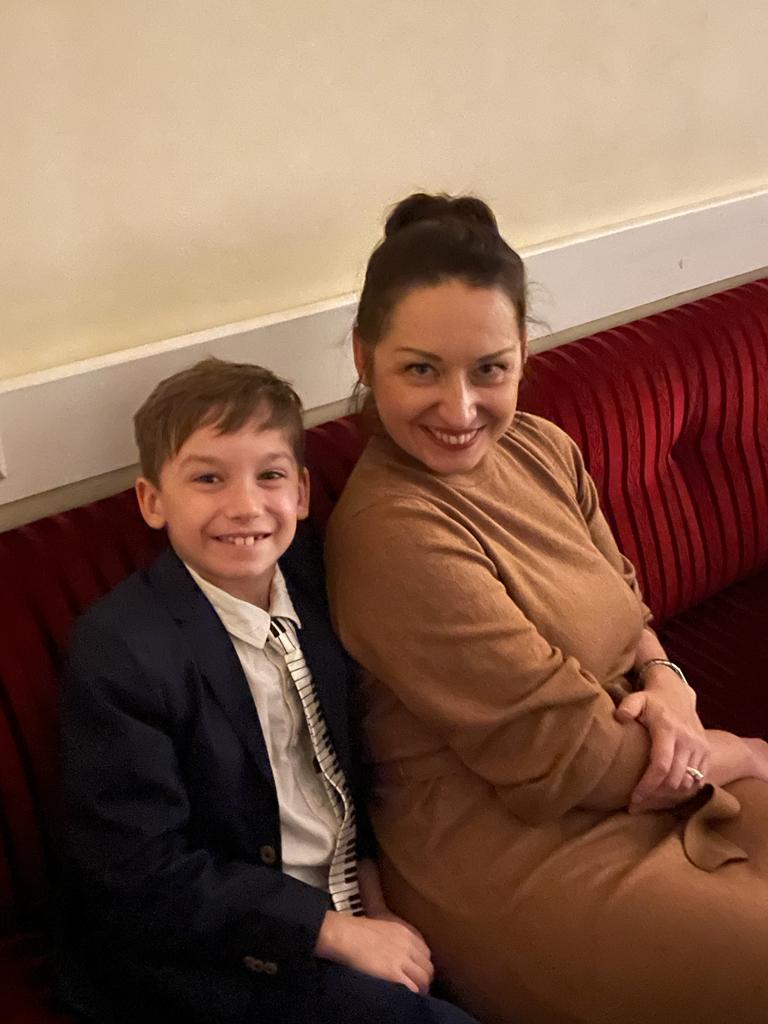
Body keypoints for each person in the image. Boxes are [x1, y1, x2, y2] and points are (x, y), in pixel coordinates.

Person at [324, 193, 768, 1024]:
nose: (460, 409)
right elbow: (566, 757)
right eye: (421, 370)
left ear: (523, 353)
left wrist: (668, 683)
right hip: (515, 848)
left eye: (489, 369)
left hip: (653, 768)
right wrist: (734, 751)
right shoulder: (392, 532)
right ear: (363, 355)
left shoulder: (542, 447)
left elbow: (629, 606)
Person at [56, 357, 479, 1024]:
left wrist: (372, 900)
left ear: (302, 493)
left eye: (271, 475)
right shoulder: (121, 649)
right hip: (225, 945)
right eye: (208, 478)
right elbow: (141, 873)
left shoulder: (320, 586)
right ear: (152, 501)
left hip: (353, 897)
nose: (245, 506)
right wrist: (333, 931)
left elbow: (350, 771)